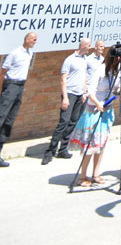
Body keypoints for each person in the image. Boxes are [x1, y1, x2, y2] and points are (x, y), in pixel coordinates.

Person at [69, 48, 121, 186]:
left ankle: (96, 173)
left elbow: (116, 88)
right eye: (118, 59)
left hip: (107, 110)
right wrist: (98, 103)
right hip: (94, 109)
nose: (120, 61)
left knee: (101, 144)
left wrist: (118, 91)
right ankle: (83, 176)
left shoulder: (117, 71)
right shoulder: (101, 69)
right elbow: (91, 91)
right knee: (90, 144)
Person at [42, 37, 91, 165]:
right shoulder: (69, 60)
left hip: (80, 95)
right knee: (63, 122)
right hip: (70, 94)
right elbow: (63, 79)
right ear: (83, 45)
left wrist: (84, 92)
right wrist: (65, 97)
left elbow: (84, 77)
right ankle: (50, 151)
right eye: (88, 45)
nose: (89, 47)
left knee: (73, 121)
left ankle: (63, 149)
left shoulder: (85, 60)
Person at [0, 31, 37, 167]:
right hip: (11, 86)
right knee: (1, 117)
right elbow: (3, 72)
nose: (35, 41)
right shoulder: (15, 53)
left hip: (20, 86)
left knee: (9, 121)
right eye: (33, 39)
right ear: (27, 39)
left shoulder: (30, 54)